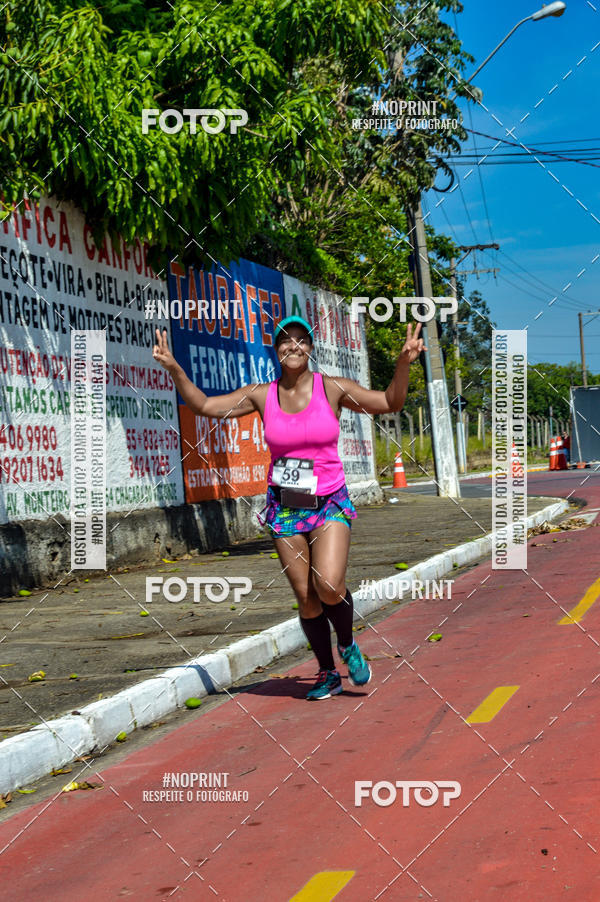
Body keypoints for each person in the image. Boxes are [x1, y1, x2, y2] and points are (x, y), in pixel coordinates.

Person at [152, 315, 425, 699]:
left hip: (328, 501)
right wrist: (176, 369)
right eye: (286, 340)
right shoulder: (262, 395)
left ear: (310, 349)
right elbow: (205, 406)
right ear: (276, 350)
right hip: (285, 507)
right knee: (307, 597)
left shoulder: (331, 389)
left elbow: (389, 401)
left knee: (328, 585)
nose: (293, 346)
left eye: (301, 340)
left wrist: (402, 363)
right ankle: (327, 672)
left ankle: (347, 644)